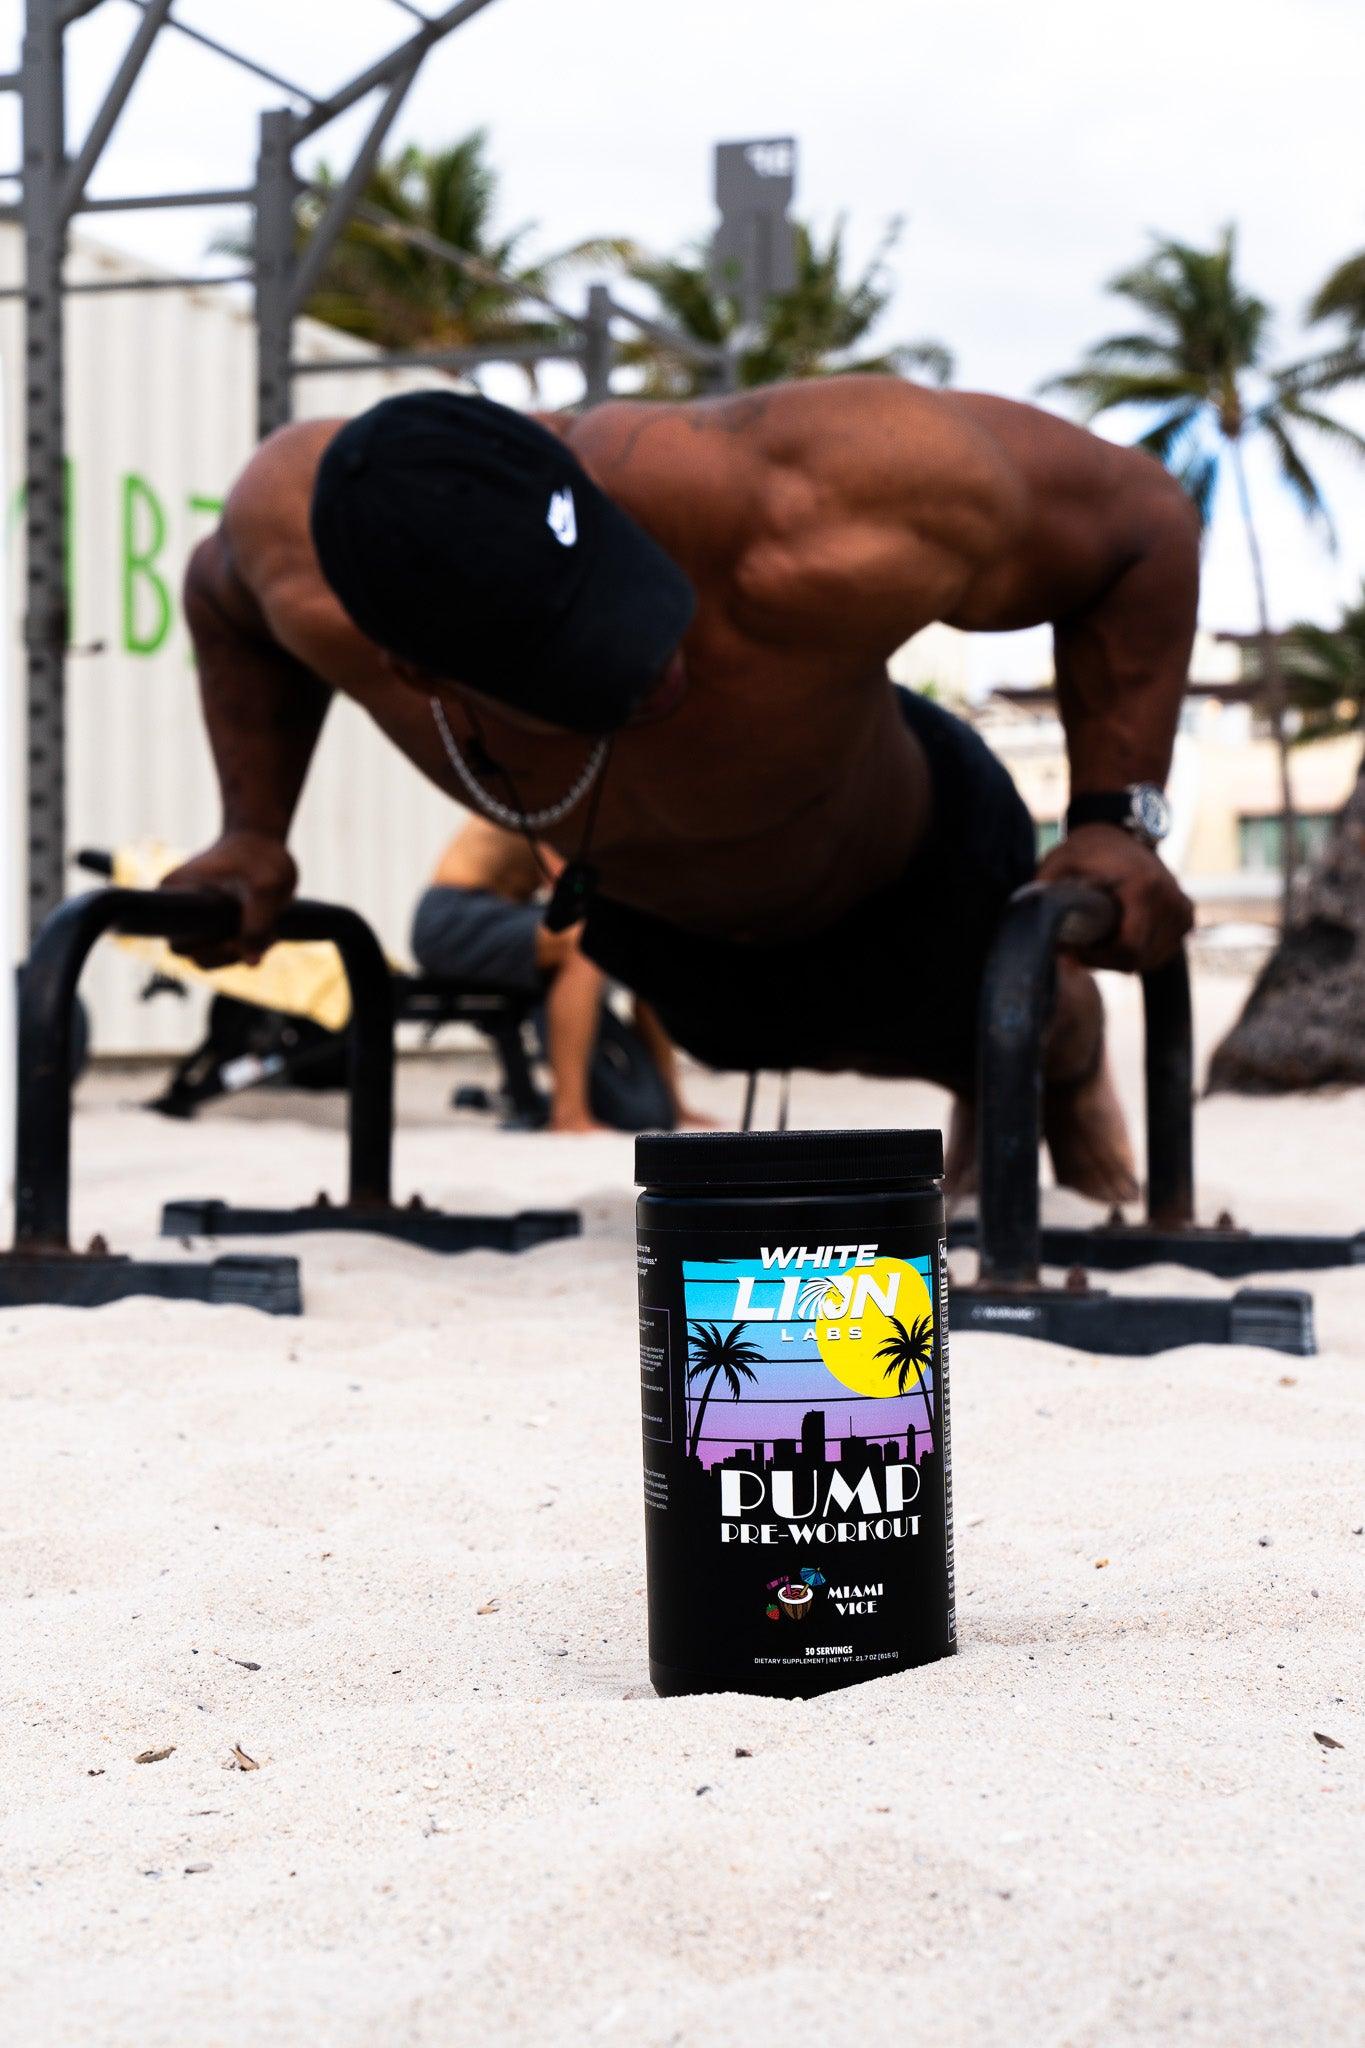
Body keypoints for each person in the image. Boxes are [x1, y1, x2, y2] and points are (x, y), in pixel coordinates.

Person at [167, 378, 1200, 1197]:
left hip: (911, 861)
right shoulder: (298, 552)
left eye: (624, 596)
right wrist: (253, 832)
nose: (656, 667)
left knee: (1009, 1015)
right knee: (735, 1032)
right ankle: (990, 1072)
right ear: (423, 673)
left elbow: (1140, 519)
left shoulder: (823, 489)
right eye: (582, 662)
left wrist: (1120, 819)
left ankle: (1058, 1067)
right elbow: (224, 596)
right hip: (665, 933)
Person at [412, 815, 707, 1133]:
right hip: (451, 918)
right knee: (582, 939)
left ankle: (675, 1103)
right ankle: (569, 1116)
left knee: (645, 942)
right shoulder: (556, 795)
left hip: (507, 912)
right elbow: (566, 884)